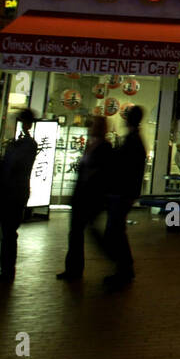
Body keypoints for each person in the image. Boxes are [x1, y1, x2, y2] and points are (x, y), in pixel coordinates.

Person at [56, 115, 113, 281]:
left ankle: (111, 257)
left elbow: (100, 174)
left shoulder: (103, 147)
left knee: (81, 232)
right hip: (82, 196)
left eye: (95, 125)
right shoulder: (91, 146)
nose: (91, 127)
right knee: (77, 233)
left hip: (90, 197)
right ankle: (73, 268)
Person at [0, 108, 38, 283]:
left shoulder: (27, 145)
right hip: (12, 191)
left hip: (14, 192)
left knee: (9, 233)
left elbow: (15, 165)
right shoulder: (20, 144)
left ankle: (7, 271)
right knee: (8, 232)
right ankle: (6, 269)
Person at [102, 105, 146, 288]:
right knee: (116, 231)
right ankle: (124, 268)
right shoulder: (134, 140)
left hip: (122, 192)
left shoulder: (133, 142)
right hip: (124, 192)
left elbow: (128, 168)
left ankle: (124, 269)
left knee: (115, 231)